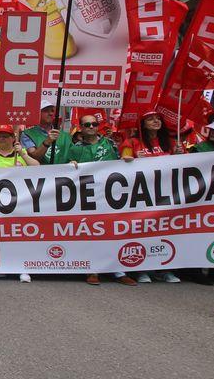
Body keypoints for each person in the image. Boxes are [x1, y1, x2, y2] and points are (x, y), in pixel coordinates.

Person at [68, 115, 133, 286]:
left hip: (110, 194)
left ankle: (118, 271)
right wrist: (70, 164)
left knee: (113, 230)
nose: (91, 126)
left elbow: (121, 161)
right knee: (91, 232)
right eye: (86, 124)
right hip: (87, 196)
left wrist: (128, 160)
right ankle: (92, 269)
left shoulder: (110, 143)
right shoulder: (75, 148)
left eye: (94, 124)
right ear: (80, 127)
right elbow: (66, 169)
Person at [118, 112, 182, 283]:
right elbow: (123, 159)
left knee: (165, 231)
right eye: (150, 119)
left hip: (166, 196)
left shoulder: (171, 143)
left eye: (158, 119)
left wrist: (179, 155)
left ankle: (164, 268)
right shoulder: (131, 142)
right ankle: (140, 270)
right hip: (141, 196)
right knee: (142, 231)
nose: (156, 121)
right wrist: (133, 159)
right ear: (143, 124)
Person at [0, 123, 38, 282]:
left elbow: (38, 169)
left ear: (13, 138)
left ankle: (22, 268)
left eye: (5, 136)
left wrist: (23, 154)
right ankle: (0, 267)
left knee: (19, 238)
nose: (2, 139)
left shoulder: (21, 154)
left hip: (21, 204)